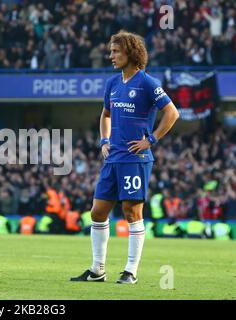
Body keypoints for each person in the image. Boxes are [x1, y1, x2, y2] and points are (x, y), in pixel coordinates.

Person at [71, 31, 179, 284]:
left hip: (135, 158)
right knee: (97, 212)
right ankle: (97, 270)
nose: (111, 56)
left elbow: (172, 113)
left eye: (115, 51)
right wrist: (104, 141)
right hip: (113, 158)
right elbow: (105, 114)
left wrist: (150, 140)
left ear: (131, 53)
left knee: (131, 211)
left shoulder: (148, 83)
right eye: (110, 51)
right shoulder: (112, 83)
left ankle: (130, 271)